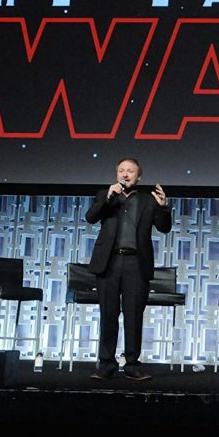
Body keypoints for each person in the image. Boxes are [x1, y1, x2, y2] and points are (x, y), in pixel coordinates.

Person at [85, 157, 172, 380]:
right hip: (109, 262)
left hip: (136, 263)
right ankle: (106, 364)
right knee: (108, 314)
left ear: (138, 177)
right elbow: (91, 217)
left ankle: (132, 364)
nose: (125, 174)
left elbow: (164, 228)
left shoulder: (148, 200)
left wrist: (163, 207)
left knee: (133, 315)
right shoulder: (105, 195)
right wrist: (108, 197)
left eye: (130, 171)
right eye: (121, 171)